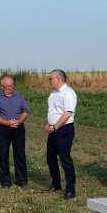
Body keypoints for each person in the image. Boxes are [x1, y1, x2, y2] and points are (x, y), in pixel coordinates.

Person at [0, 76, 30, 188]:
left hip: (18, 127)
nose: (9, 88)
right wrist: (7, 122)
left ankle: (22, 180)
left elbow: (25, 111)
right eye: (7, 86)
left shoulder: (19, 97)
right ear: (2, 86)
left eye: (11, 85)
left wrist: (20, 121)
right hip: (2, 128)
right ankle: (5, 181)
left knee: (20, 153)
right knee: (2, 154)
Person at [43, 69, 77, 199]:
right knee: (50, 158)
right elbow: (52, 111)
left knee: (65, 159)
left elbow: (67, 113)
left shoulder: (68, 93)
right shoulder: (53, 93)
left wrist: (55, 127)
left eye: (51, 78)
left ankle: (70, 189)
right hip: (53, 130)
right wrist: (48, 123)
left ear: (58, 78)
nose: (49, 81)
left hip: (64, 130)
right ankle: (56, 184)